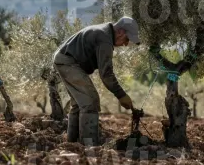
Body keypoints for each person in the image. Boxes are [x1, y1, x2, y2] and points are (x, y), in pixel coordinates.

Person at [52, 16, 140, 145]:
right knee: (90, 101)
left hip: (63, 59)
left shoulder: (104, 33)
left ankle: (72, 143)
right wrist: (121, 95)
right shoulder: (105, 39)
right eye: (127, 39)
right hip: (67, 62)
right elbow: (106, 74)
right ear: (120, 32)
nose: (126, 44)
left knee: (79, 103)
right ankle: (89, 145)